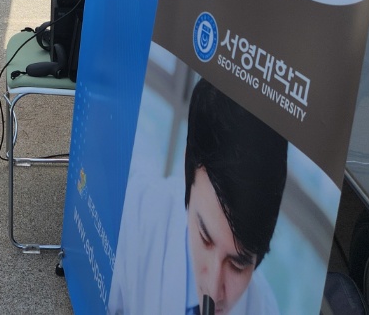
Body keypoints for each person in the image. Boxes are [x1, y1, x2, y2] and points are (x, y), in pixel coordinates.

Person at [108, 79, 286, 315]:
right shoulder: (133, 216)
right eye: (205, 237)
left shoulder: (264, 309)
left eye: (237, 265)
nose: (212, 290)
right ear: (187, 175)